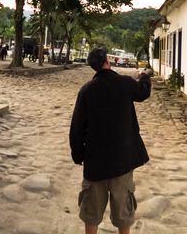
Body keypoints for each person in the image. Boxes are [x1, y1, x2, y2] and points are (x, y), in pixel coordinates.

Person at [69, 48, 152, 234]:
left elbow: (76, 127)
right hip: (123, 158)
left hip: (95, 159)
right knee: (124, 213)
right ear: (108, 61)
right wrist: (143, 75)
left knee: (91, 212)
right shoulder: (124, 83)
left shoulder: (86, 90)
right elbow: (143, 92)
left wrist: (78, 154)